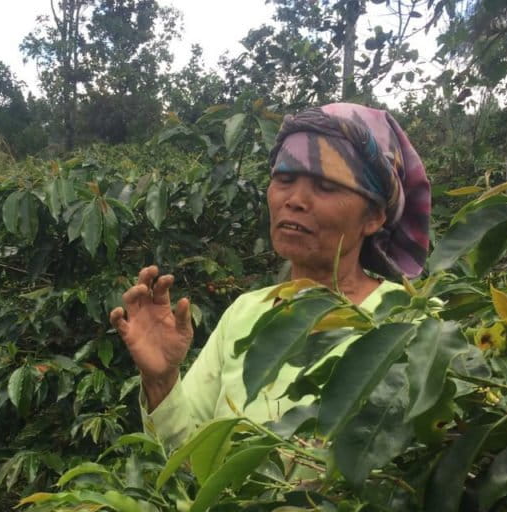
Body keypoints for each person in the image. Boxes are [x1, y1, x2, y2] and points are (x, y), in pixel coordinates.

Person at [109, 103, 431, 450]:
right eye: (285, 179)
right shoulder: (245, 313)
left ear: (375, 217)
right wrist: (161, 382)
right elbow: (187, 462)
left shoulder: (419, 320)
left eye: (325, 185)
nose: (295, 200)